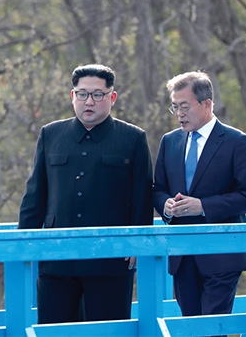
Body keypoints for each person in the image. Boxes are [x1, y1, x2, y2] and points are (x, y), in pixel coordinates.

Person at [18, 64, 153, 324]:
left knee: (109, 330)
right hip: (57, 258)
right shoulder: (51, 133)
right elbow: (35, 195)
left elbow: (142, 197)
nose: (88, 101)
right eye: (82, 94)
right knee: (53, 331)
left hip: (111, 258)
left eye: (97, 94)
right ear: (72, 96)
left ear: (111, 98)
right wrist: (25, 241)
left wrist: (137, 242)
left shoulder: (133, 138)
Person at [153, 71, 246, 320]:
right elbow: (158, 189)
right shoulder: (169, 142)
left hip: (222, 255)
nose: (179, 113)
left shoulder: (236, 141)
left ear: (207, 104)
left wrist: (203, 206)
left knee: (212, 329)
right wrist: (166, 206)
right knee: (189, 328)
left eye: (184, 106)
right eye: (174, 107)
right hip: (182, 255)